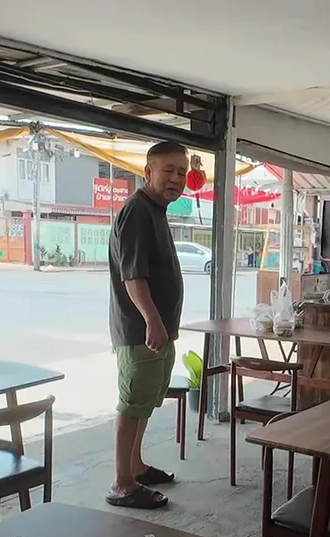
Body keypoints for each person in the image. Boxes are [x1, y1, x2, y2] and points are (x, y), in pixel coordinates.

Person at [105, 142, 186, 510]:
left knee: (145, 402)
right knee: (132, 403)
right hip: (141, 332)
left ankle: (135, 466)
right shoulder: (137, 211)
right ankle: (122, 483)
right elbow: (133, 276)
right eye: (168, 170)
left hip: (157, 332)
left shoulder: (156, 210)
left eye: (182, 172)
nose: (176, 179)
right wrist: (152, 320)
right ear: (148, 172)